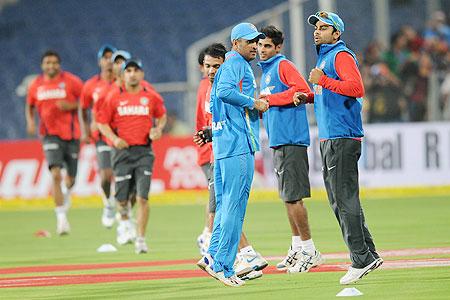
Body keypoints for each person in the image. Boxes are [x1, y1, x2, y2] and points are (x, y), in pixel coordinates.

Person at [298, 11, 383, 285]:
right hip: (333, 136)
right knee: (342, 199)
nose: (317, 31)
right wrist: (310, 96)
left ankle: (360, 259)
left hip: (340, 137)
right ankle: (368, 254)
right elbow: (333, 92)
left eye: (324, 28)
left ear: (337, 34)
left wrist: (321, 80)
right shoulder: (326, 57)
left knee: (343, 199)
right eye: (317, 27)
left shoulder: (340, 55)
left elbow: (356, 87)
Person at [196, 23, 269, 287]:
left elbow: (220, 102)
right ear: (235, 43)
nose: (255, 45)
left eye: (257, 41)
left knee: (226, 205)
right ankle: (224, 266)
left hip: (225, 144)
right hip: (237, 144)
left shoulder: (227, 67)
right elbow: (227, 93)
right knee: (235, 206)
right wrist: (255, 103)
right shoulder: (236, 64)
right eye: (250, 41)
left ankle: (213, 256)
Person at [257, 25, 323, 273]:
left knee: (294, 197)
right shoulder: (266, 71)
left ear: (277, 47)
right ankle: (297, 247)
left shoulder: (283, 66)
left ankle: (310, 249)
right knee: (287, 197)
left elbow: (304, 91)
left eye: (267, 46)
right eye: (260, 45)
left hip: (292, 139)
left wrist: (269, 101)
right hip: (280, 140)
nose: (262, 50)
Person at [97, 58, 167, 254]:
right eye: (128, 71)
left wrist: (158, 129)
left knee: (142, 197)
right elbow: (102, 122)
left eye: (136, 70)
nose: (132, 74)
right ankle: (125, 218)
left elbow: (161, 115)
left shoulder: (151, 97)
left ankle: (141, 239)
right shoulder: (114, 97)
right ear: (123, 75)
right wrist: (113, 138)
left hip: (144, 151)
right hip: (122, 152)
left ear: (142, 74)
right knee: (122, 198)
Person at [25, 50, 84, 235]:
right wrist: (31, 121)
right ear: (42, 65)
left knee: (71, 179)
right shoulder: (36, 85)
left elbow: (85, 102)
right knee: (56, 174)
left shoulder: (72, 81)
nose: (51, 66)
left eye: (54, 62)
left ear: (59, 64)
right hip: (49, 135)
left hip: (72, 135)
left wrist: (71, 106)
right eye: (47, 63)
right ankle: (61, 219)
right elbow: (30, 105)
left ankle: (66, 197)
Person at [80, 44, 117, 228]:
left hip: (119, 135)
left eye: (112, 57)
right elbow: (83, 107)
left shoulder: (121, 82)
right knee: (105, 176)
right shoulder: (91, 85)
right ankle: (108, 204)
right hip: (102, 135)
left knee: (121, 175)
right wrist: (85, 129)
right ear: (100, 61)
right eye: (105, 57)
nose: (109, 61)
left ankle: (124, 212)